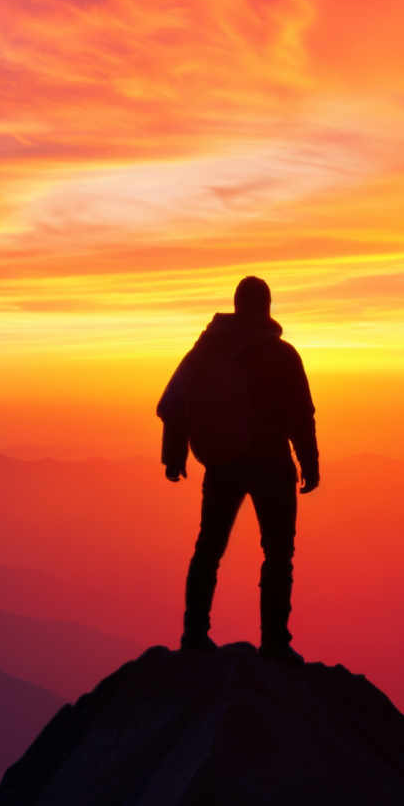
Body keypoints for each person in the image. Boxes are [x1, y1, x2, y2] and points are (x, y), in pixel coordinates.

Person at [157, 276, 319, 661]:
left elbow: (177, 401)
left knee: (208, 548)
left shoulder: (208, 352)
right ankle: (276, 644)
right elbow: (301, 415)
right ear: (266, 307)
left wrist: (174, 455)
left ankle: (194, 636)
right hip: (271, 464)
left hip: (224, 464)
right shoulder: (283, 355)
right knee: (278, 554)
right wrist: (310, 463)